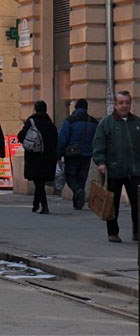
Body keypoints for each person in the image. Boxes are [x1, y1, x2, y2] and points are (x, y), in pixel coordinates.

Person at [92, 91, 140, 243]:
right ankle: (113, 232)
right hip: (114, 169)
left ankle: (137, 232)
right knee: (112, 204)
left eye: (127, 102)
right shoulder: (107, 123)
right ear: (115, 104)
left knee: (137, 203)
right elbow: (98, 144)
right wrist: (100, 162)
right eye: (121, 103)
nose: (124, 105)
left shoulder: (137, 123)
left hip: (135, 170)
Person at [17, 100, 59, 214]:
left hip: (34, 156)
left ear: (35, 109)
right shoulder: (51, 124)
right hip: (48, 157)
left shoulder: (31, 122)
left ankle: (44, 206)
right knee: (40, 182)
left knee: (38, 182)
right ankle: (35, 205)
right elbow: (56, 140)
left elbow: (20, 136)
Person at [57, 98, 98, 210]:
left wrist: (58, 153)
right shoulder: (94, 122)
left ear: (75, 108)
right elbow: (97, 139)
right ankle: (78, 203)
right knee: (82, 177)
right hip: (87, 154)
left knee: (70, 176)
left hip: (72, 154)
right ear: (86, 108)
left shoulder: (70, 120)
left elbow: (62, 138)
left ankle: (77, 191)